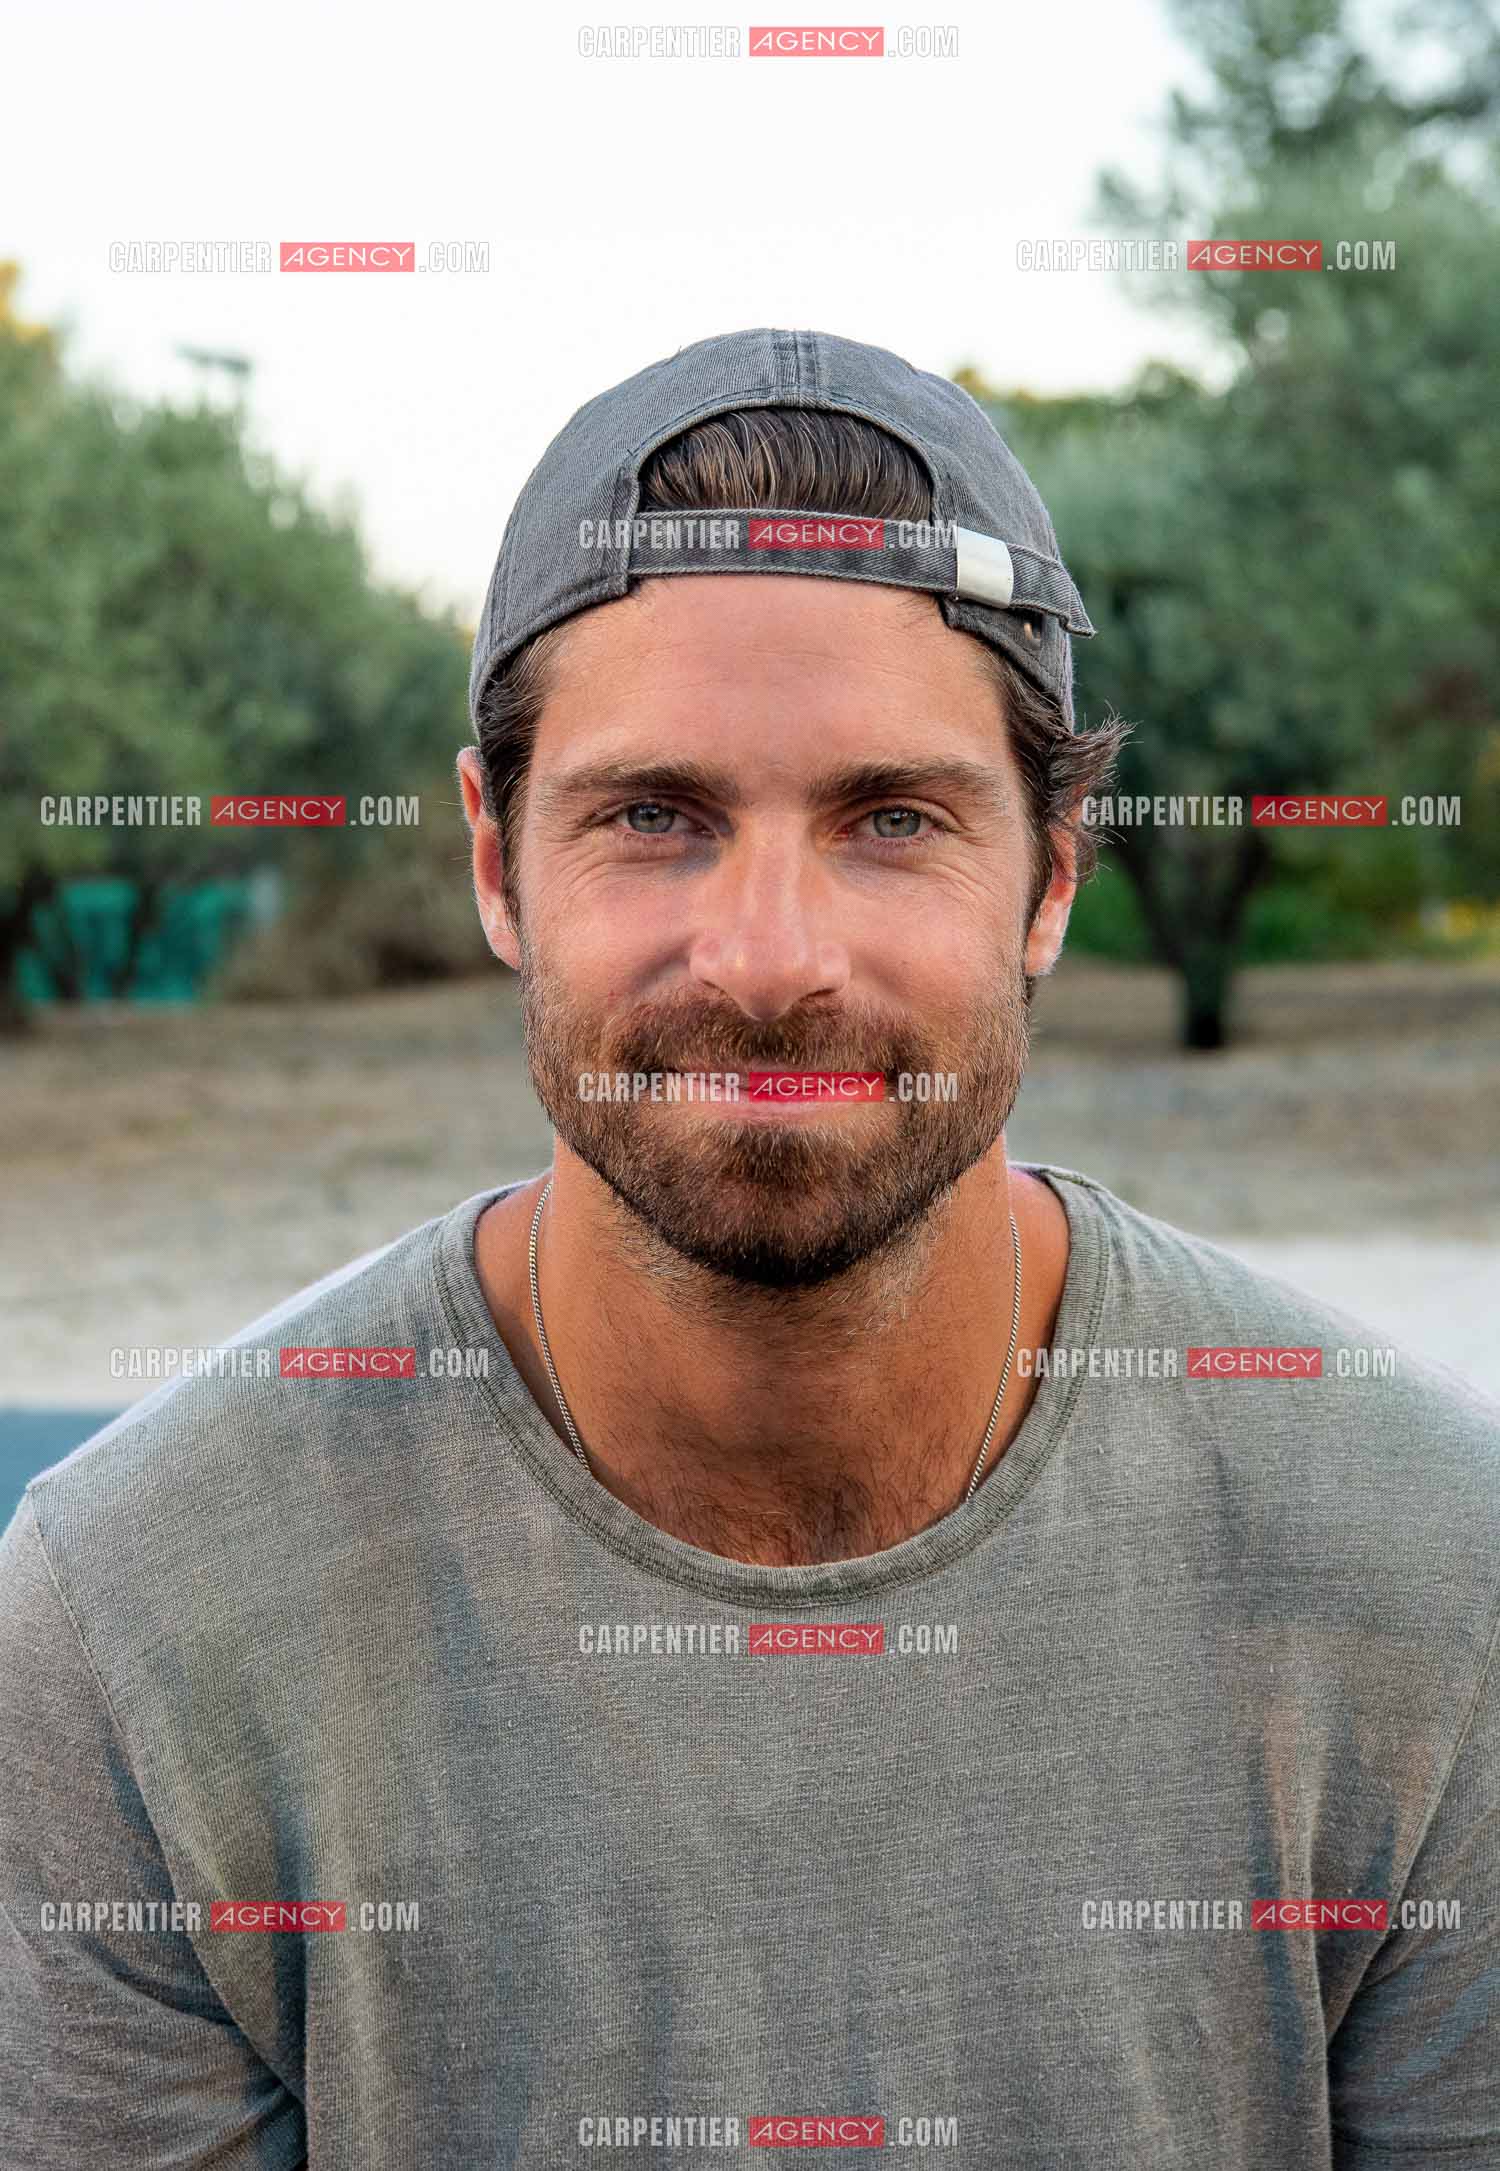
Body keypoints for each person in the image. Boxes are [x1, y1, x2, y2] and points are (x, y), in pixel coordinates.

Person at [1, 328, 1495, 2169]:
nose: (771, 956)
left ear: (1051, 873)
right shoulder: (140, 1620)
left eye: (891, 821)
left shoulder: (1435, 1583)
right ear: (494, 861)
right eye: (654, 817)